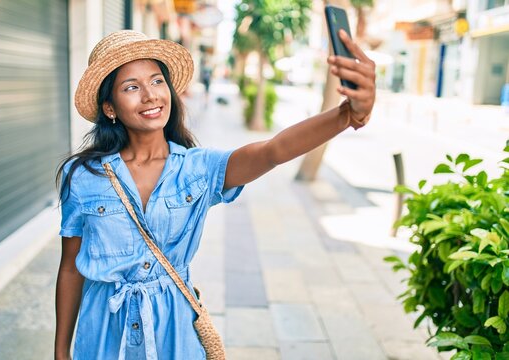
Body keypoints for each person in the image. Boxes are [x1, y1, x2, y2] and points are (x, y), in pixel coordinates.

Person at [54, 30, 375, 360]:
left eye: (157, 81)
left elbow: (273, 151)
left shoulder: (199, 168)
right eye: (131, 87)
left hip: (174, 331)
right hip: (103, 333)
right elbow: (70, 268)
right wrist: (61, 351)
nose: (150, 95)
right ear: (110, 107)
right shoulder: (81, 176)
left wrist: (348, 114)